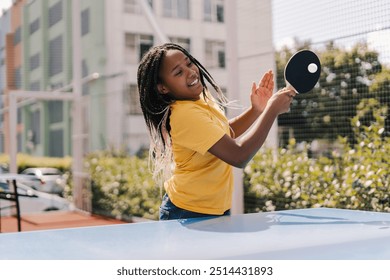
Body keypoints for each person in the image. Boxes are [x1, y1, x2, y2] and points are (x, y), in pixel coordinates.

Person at [137, 43, 295, 220]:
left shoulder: (199, 99)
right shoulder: (184, 113)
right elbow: (239, 155)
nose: (190, 72)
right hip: (187, 212)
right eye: (178, 72)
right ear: (163, 88)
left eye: (189, 63)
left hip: (212, 209)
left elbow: (223, 134)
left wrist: (256, 110)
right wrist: (272, 110)